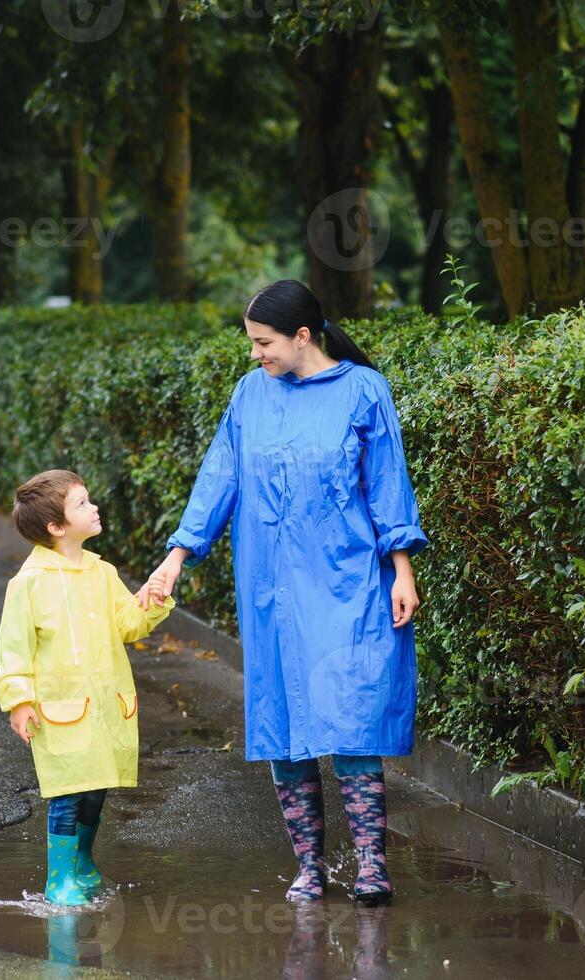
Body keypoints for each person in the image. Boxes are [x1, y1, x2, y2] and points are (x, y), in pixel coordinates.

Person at [138, 279, 427, 907]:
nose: (254, 355)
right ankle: (309, 868)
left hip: (348, 580)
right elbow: (220, 475)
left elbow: (386, 484)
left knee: (352, 715)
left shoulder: (362, 391)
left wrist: (401, 567)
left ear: (302, 337)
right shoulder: (251, 395)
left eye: (262, 342)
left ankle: (373, 866)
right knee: (283, 718)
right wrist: (177, 556)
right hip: (271, 585)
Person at [0, 469, 172, 905]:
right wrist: (19, 701)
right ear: (56, 527)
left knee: (96, 786)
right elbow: (13, 648)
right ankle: (59, 876)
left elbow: (127, 624)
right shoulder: (28, 584)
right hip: (59, 709)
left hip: (105, 704)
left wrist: (151, 600)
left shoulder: (101, 572)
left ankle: (83, 861)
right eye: (83, 504)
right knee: (69, 790)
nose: (94, 508)